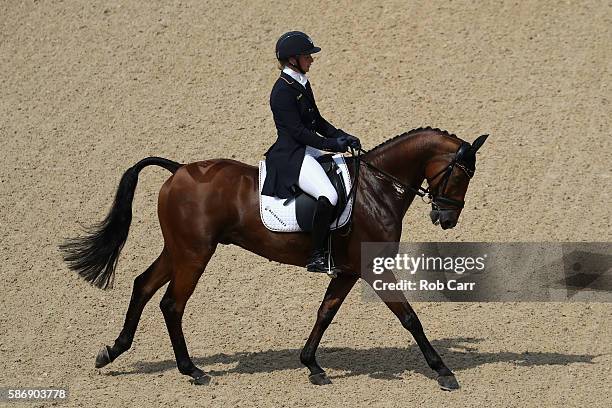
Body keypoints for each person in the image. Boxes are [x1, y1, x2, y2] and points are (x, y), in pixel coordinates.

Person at [261, 31, 361, 273]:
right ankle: (316, 255)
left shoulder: (299, 82)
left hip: (307, 149)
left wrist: (341, 135)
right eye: (308, 56)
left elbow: (316, 120)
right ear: (293, 59)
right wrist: (332, 145)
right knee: (329, 195)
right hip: (292, 155)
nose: (312, 60)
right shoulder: (282, 91)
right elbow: (298, 132)